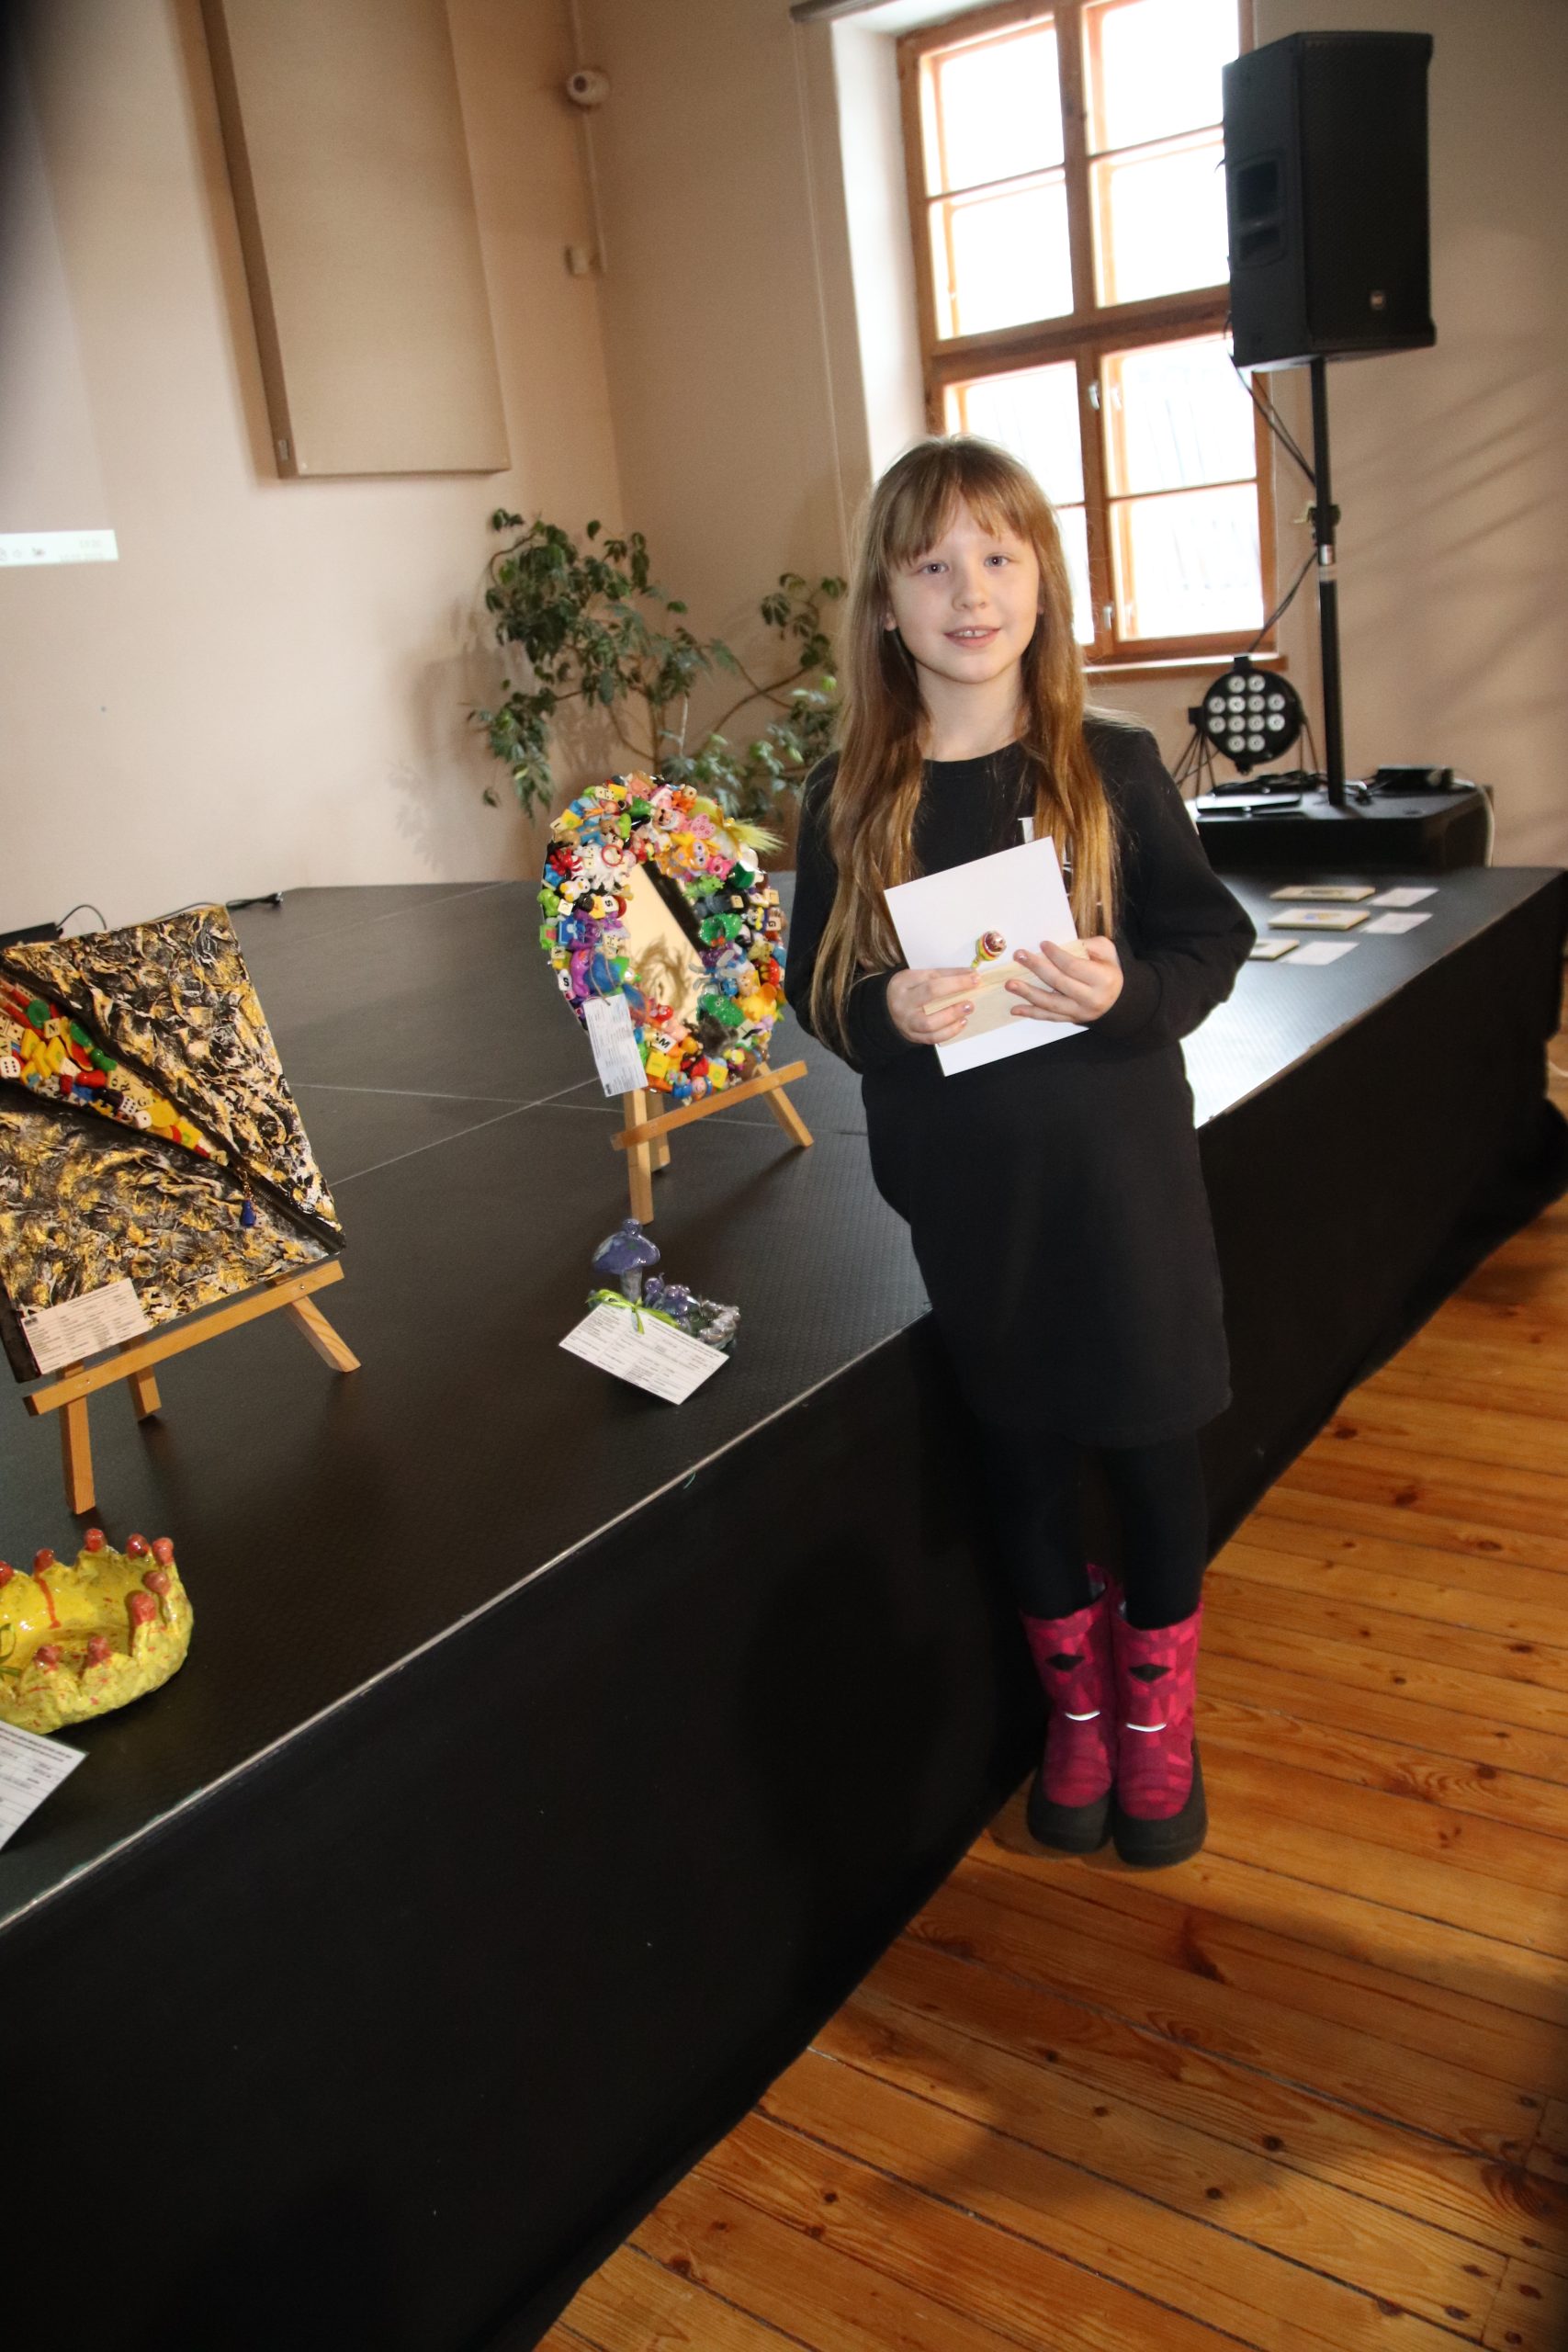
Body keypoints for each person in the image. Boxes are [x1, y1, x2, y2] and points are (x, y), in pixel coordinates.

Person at [783, 437, 1255, 1870]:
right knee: (1025, 1462)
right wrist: (885, 1011)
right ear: (886, 604)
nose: (970, 593)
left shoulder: (1112, 766)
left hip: (1123, 1196)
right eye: (932, 565)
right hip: (974, 1207)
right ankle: (1079, 1715)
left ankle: (1158, 1718)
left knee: (1155, 1457)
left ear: (1042, 581)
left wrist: (1129, 994)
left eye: (998, 556)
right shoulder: (845, 795)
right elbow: (814, 988)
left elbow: (1208, 939)